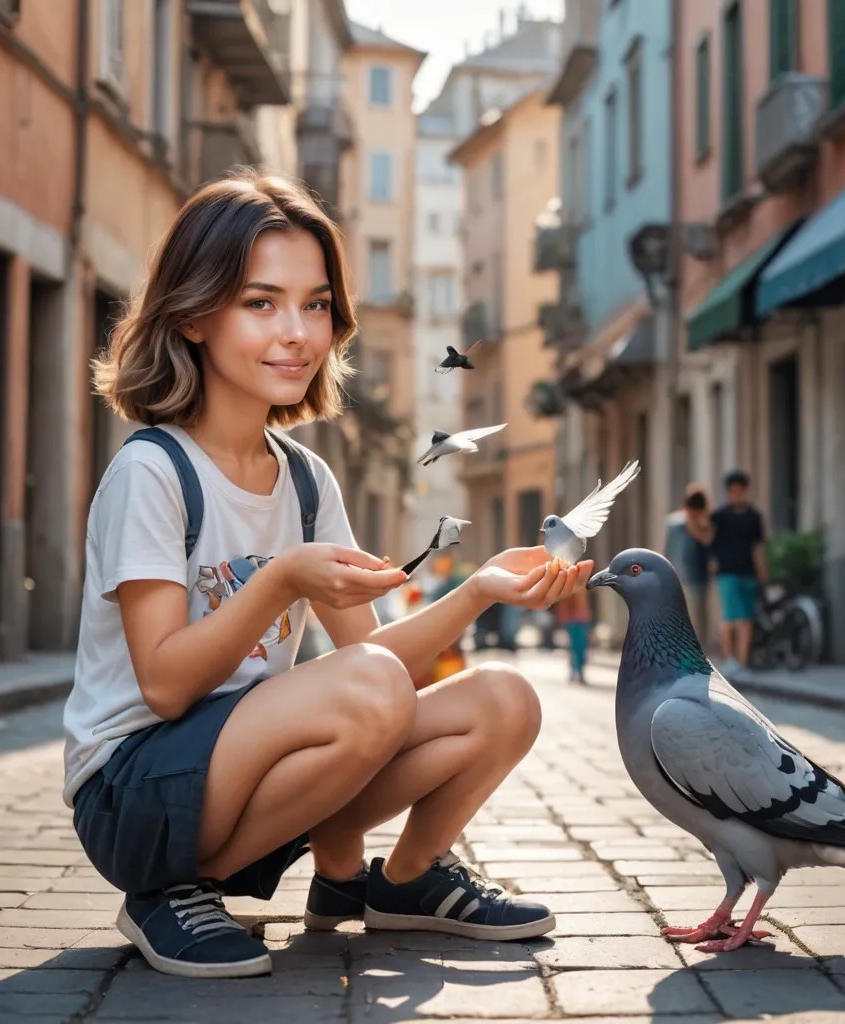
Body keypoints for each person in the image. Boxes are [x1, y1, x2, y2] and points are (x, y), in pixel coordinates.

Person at [64, 171, 594, 980]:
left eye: (315, 305)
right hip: (133, 793)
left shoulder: (306, 480)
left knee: (502, 699)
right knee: (369, 689)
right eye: (261, 302)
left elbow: (380, 664)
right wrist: (278, 581)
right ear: (197, 314)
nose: (298, 333)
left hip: (252, 774)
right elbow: (166, 687)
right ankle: (167, 891)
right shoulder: (155, 471)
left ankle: (403, 884)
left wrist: (479, 589)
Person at [689, 470, 767, 677]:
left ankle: (742, 662)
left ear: (746, 491)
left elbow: (758, 547)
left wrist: (762, 573)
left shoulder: (754, 517)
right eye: (733, 491)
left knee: (746, 619)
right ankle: (728, 660)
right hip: (726, 573)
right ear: (728, 492)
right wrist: (693, 516)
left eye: (740, 491)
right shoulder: (720, 516)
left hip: (748, 572)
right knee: (730, 619)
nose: (737, 495)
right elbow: (705, 536)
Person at [663, 483, 711, 647]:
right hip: (681, 575)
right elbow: (668, 550)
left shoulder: (705, 524)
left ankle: (697, 650)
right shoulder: (675, 523)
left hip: (697, 575)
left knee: (698, 616)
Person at [555, 586, 592, 684]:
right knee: (574, 647)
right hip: (572, 620)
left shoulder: (585, 585)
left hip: (582, 619)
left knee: (581, 647)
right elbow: (563, 603)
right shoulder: (569, 585)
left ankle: (579, 672)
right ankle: (574, 672)